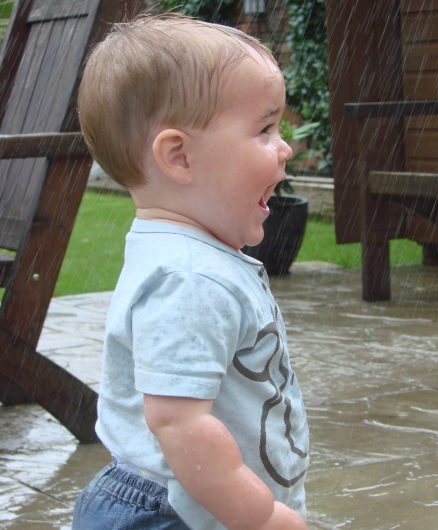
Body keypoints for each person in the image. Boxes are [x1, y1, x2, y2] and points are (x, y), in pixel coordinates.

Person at [72, 14, 308, 530]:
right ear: (179, 156)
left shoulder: (180, 252)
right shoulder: (191, 277)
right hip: (176, 514)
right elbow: (179, 422)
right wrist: (263, 516)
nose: (285, 147)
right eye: (265, 129)